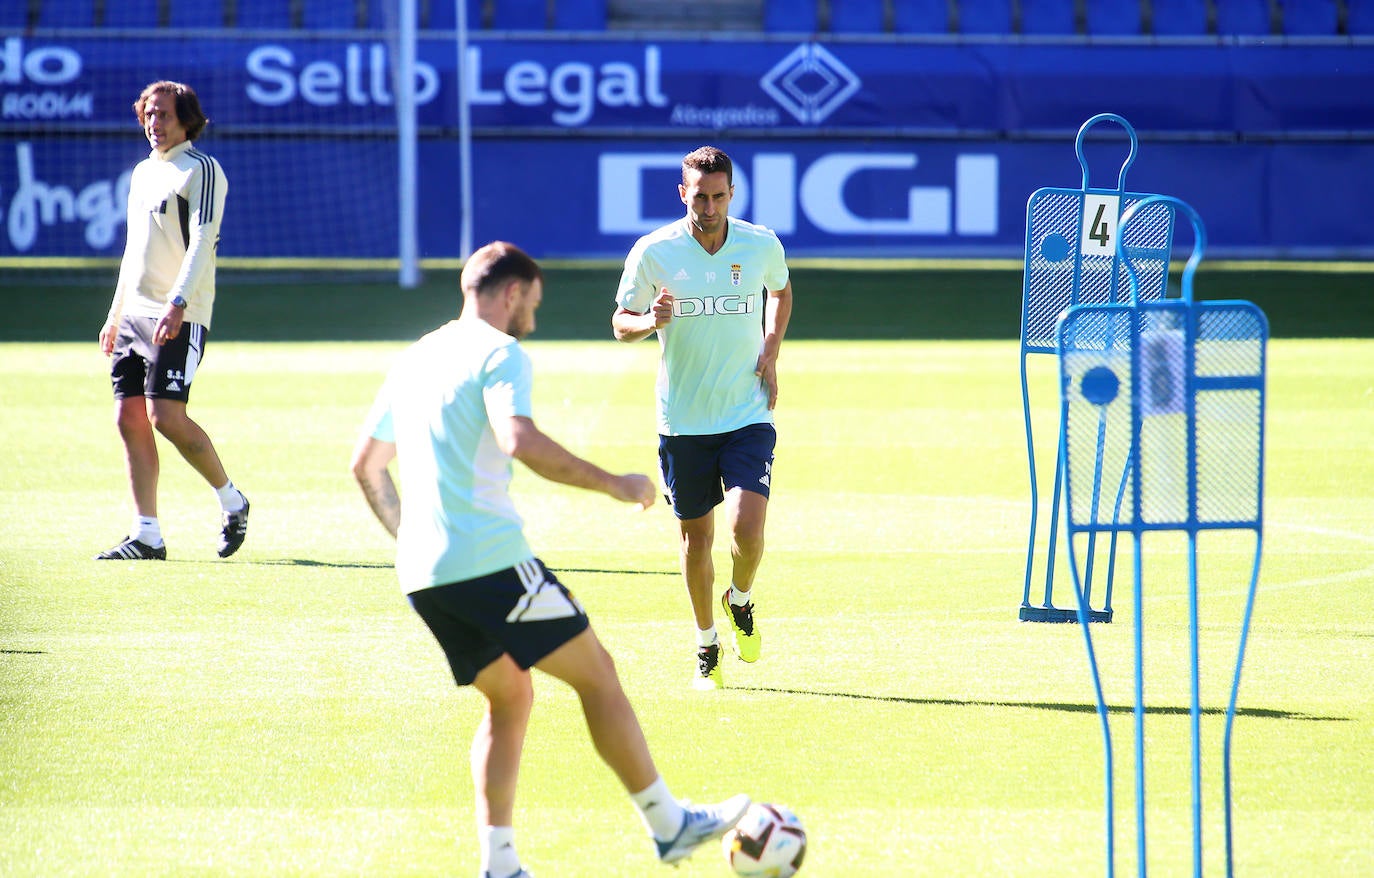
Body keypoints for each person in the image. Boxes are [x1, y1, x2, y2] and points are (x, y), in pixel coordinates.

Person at [350, 241, 749, 878]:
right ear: (511, 293)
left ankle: (499, 864)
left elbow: (366, 466)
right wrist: (614, 483)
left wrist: (415, 542)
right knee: (598, 675)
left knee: (509, 697)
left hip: (423, 575)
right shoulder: (498, 352)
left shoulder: (416, 356)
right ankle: (668, 825)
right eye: (531, 304)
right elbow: (519, 440)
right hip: (490, 564)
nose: (532, 319)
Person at [611, 145, 793, 690]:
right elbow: (620, 323)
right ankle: (706, 644)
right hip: (683, 420)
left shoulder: (760, 244)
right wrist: (650, 320)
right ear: (682, 193)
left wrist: (771, 346)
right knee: (696, 540)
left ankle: (740, 598)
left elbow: (780, 291)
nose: (709, 207)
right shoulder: (654, 251)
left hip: (747, 411)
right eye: (699, 197)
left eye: (718, 196)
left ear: (731, 194)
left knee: (747, 530)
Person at [97, 80, 248, 561]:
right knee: (129, 417)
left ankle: (232, 500)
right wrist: (115, 314)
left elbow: (203, 240)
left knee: (165, 416)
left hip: (178, 314)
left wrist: (178, 302)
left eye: (163, 114)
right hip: (135, 315)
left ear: (187, 120)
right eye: (148, 114)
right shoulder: (143, 172)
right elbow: (133, 250)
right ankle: (147, 535)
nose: (154, 123)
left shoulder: (202, 169)